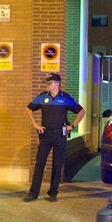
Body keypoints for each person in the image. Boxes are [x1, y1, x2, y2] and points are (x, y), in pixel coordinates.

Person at [23, 73, 85, 202]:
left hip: (60, 135)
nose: (47, 85)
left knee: (57, 164)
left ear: (57, 84)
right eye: (47, 83)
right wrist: (35, 124)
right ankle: (33, 193)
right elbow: (28, 109)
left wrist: (72, 125)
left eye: (50, 83)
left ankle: (53, 193)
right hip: (45, 135)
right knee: (40, 164)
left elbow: (81, 111)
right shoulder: (42, 97)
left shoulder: (66, 98)